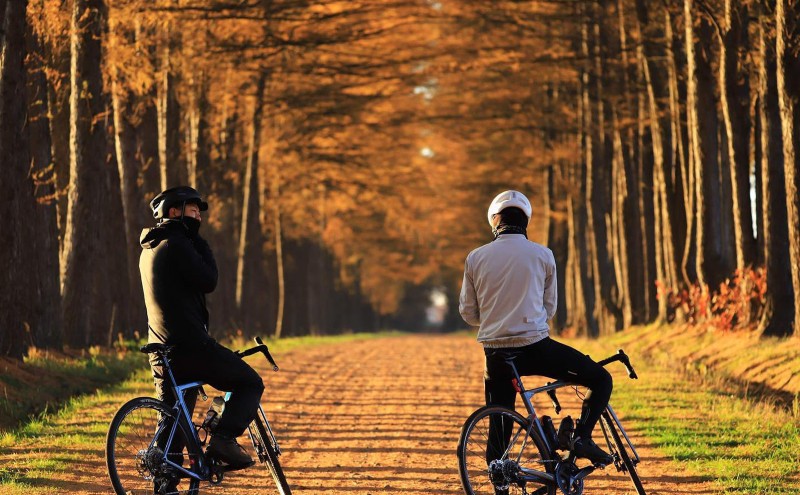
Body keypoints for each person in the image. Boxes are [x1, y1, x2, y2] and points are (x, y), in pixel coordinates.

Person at [458, 190, 613, 465]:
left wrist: (497, 319)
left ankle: (500, 483)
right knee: (601, 379)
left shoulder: (475, 258)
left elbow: (468, 313)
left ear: (495, 221)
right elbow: (549, 309)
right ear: (525, 221)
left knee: (499, 423)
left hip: (495, 354)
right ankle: (582, 438)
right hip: (536, 348)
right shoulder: (543, 255)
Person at [139, 186, 264, 472]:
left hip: (162, 351)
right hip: (190, 348)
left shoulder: (150, 248)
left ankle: (165, 486)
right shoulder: (177, 243)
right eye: (194, 211)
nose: (199, 217)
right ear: (174, 211)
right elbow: (209, 280)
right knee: (250, 383)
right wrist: (202, 244)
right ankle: (223, 439)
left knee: (173, 427)